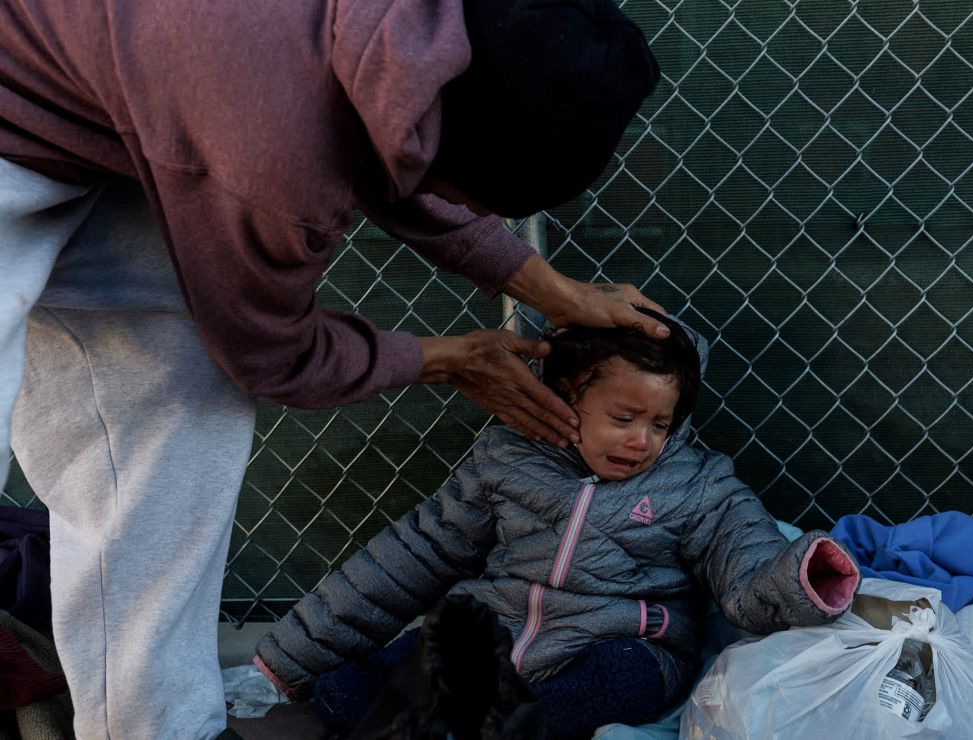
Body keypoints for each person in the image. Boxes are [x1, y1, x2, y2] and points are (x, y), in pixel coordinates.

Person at [0, 0, 669, 737]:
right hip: (37, 97)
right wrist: (445, 360)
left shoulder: (426, 40)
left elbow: (404, 164)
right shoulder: (272, 143)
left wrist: (547, 287)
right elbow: (269, 350)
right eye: (466, 196)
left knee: (176, 398)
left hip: (127, 113)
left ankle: (160, 725)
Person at [255, 311, 862, 738]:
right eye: (624, 416)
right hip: (497, 631)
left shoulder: (697, 483)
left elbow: (745, 557)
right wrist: (286, 661)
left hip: (621, 643)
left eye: (660, 423)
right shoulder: (507, 459)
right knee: (354, 685)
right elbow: (415, 554)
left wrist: (800, 576)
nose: (641, 439)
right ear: (570, 396)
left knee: (622, 681)